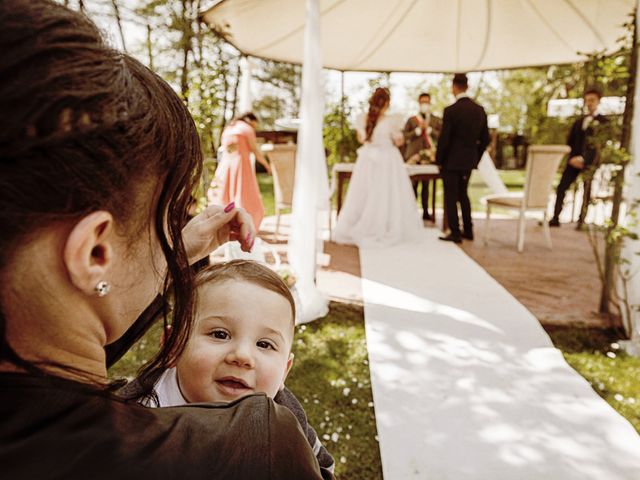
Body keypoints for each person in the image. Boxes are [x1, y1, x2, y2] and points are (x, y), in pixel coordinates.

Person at [0, 2, 329, 479]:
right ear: (95, 251)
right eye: (171, 216)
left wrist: (178, 250)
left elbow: (53, 359)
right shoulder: (261, 447)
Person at [121, 260, 335, 477]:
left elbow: (321, 466)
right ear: (173, 346)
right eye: (220, 334)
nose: (242, 357)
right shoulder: (139, 411)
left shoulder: (285, 417)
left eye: (264, 344)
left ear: (284, 372)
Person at [334, 87, 423, 247]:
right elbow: (398, 141)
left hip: (367, 160)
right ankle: (384, 224)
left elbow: (362, 139)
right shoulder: (391, 121)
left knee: (364, 194)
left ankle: (362, 224)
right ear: (387, 103)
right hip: (387, 160)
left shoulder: (363, 118)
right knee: (387, 194)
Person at [436, 73, 490, 243]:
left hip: (451, 162)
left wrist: (439, 160)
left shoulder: (451, 111)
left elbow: (445, 139)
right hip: (468, 161)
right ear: (467, 86)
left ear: (454, 87)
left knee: (451, 197)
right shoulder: (479, 110)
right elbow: (485, 139)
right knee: (464, 195)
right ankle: (468, 230)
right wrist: (476, 157)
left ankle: (455, 232)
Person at [549, 88, 608, 227]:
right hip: (573, 161)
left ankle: (582, 219)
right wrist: (572, 158)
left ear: (598, 101)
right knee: (562, 187)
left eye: (592, 100)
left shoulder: (604, 122)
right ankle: (556, 217)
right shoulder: (579, 122)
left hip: (589, 163)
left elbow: (601, 145)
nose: (589, 103)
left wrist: (585, 160)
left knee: (587, 190)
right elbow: (570, 142)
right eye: (587, 100)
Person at [211, 112, 272, 231]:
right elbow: (255, 151)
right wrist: (267, 165)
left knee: (226, 194)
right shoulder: (246, 129)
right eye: (255, 124)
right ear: (250, 120)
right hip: (241, 166)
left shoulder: (229, 128)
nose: (255, 127)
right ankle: (245, 223)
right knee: (245, 194)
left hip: (226, 165)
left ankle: (227, 223)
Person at [402, 92, 442, 222]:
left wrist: (430, 130)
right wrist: (417, 131)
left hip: (429, 157)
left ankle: (425, 212)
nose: (425, 104)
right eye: (422, 102)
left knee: (426, 186)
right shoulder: (412, 120)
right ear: (419, 103)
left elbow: (442, 136)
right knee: (413, 186)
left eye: (427, 102)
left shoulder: (435, 120)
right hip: (413, 157)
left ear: (430, 103)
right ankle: (411, 212)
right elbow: (404, 136)